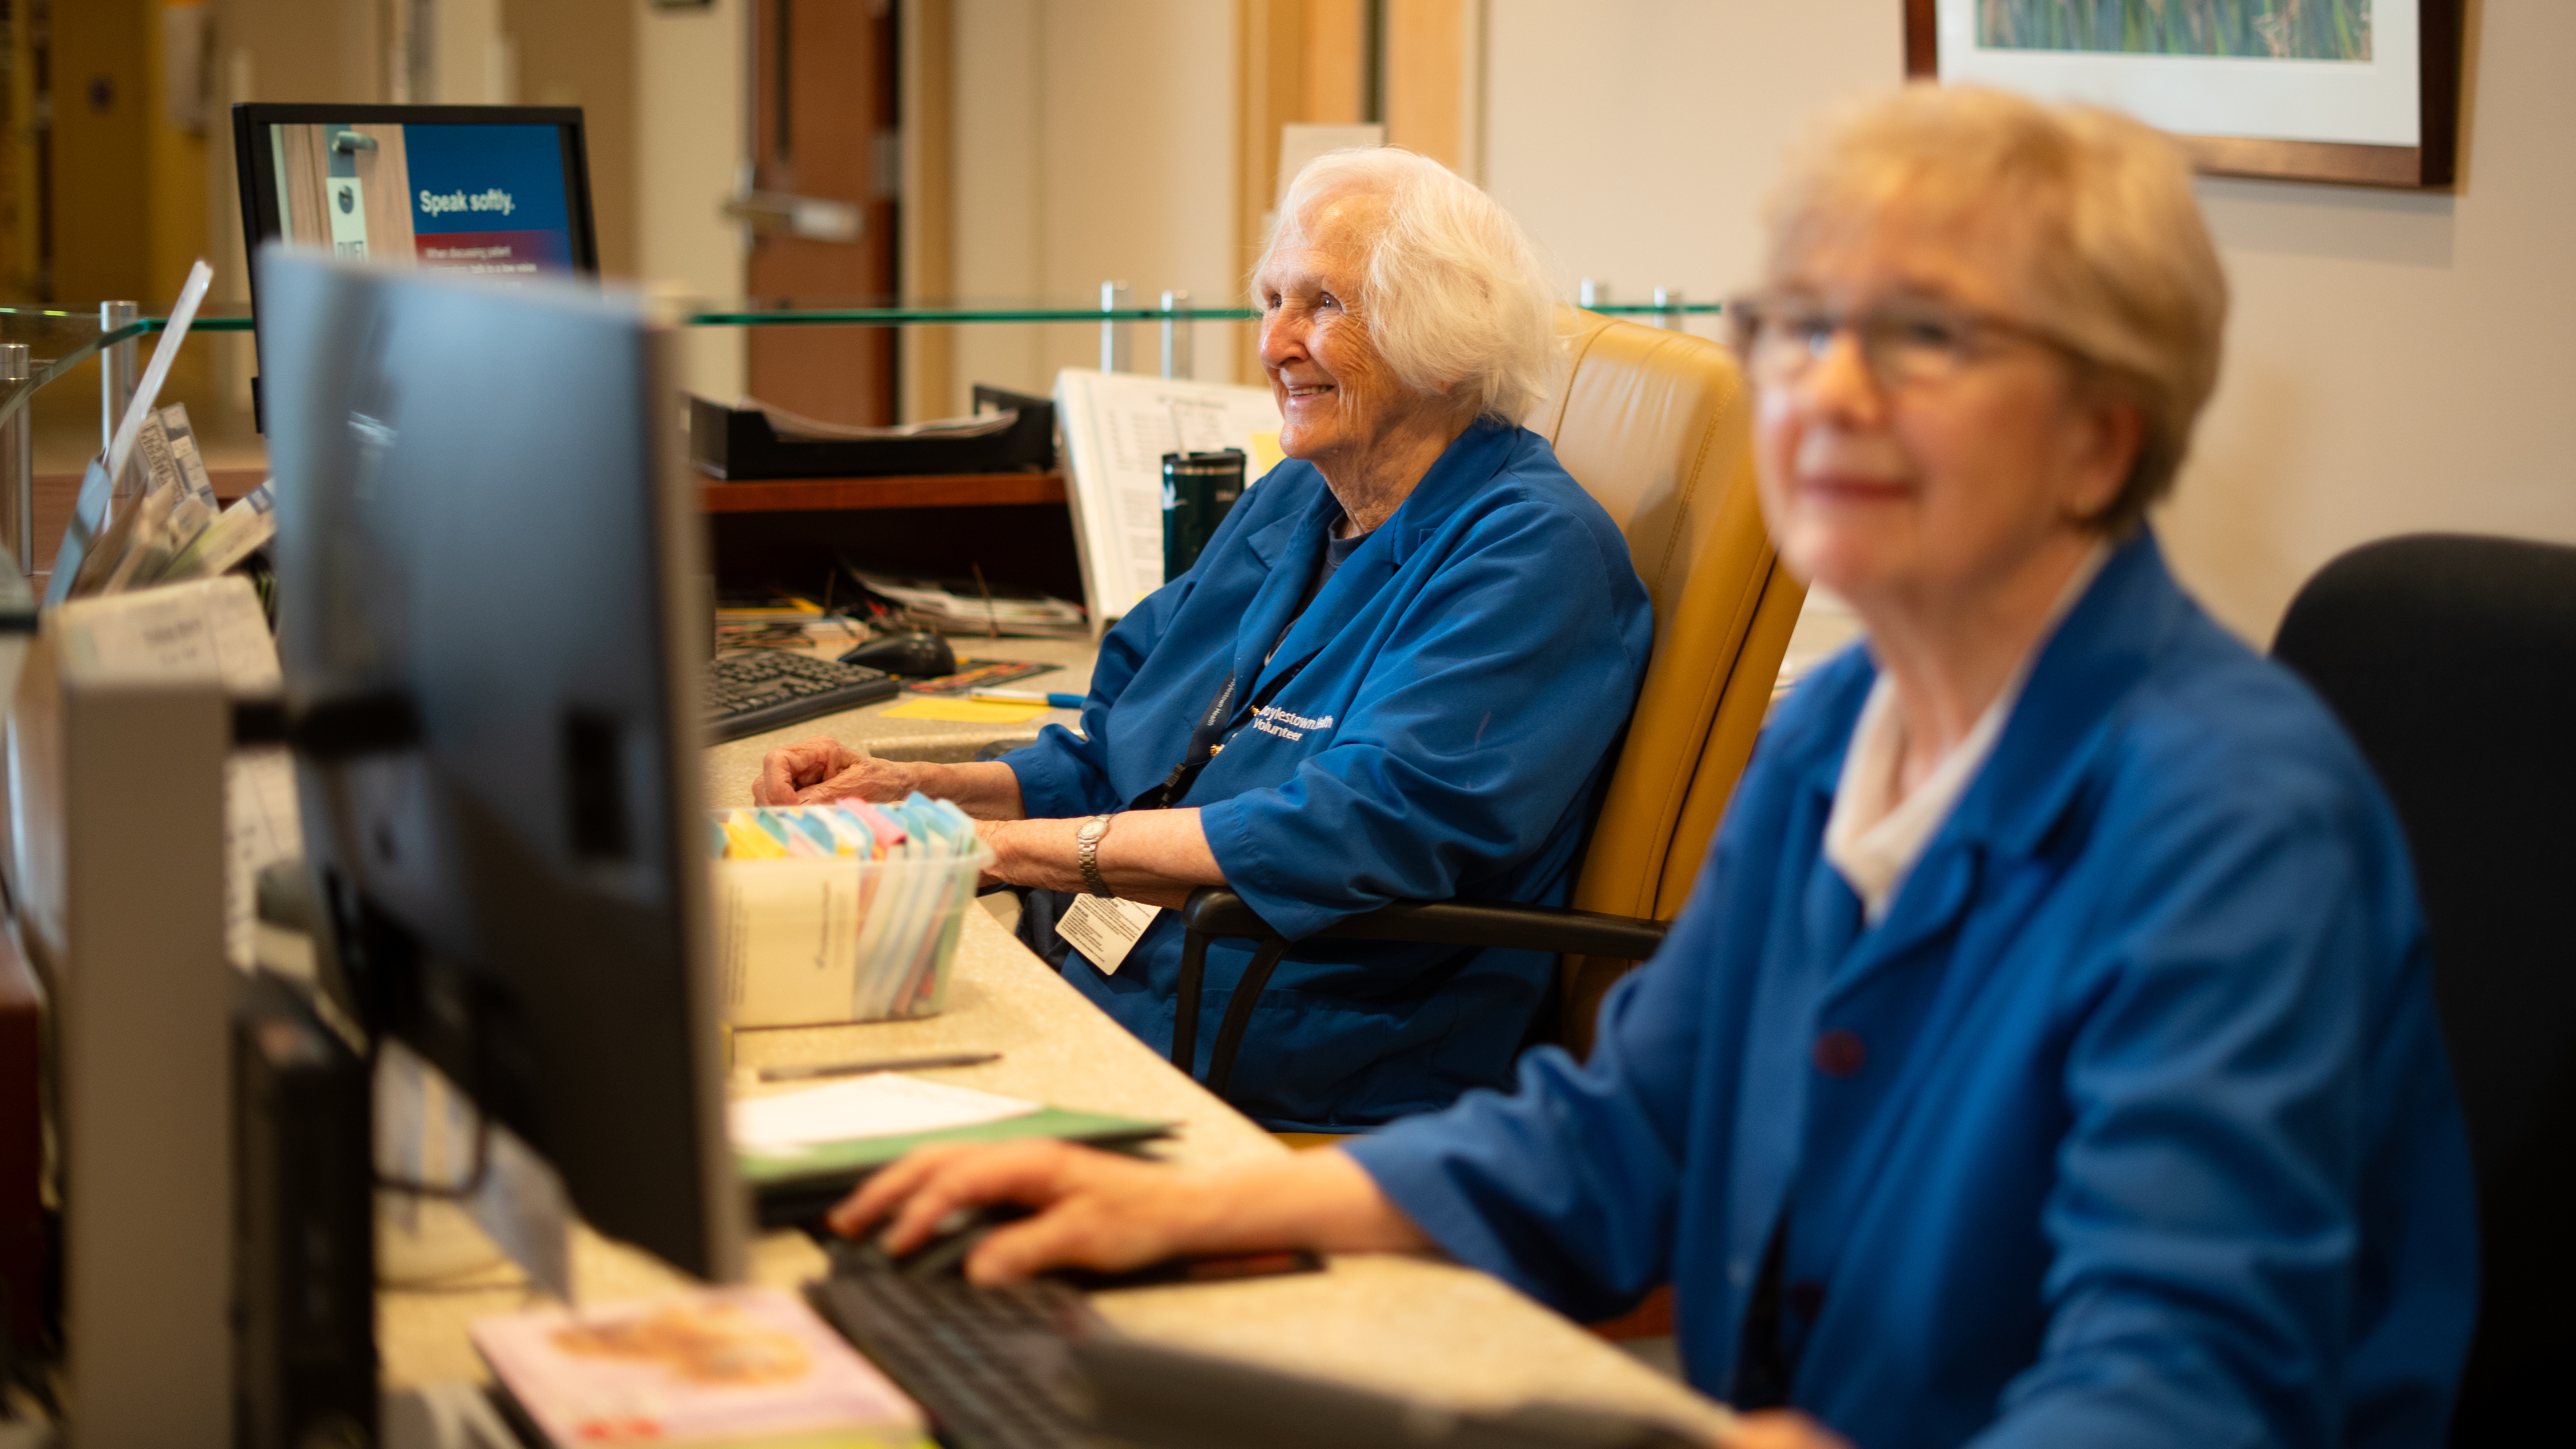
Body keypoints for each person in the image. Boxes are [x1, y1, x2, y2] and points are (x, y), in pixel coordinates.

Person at [817, 88, 2479, 1449]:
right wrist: (1191, 1210)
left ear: (2099, 437)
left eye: (1915, 344)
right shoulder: (1844, 740)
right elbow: (1624, 1142)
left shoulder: (2234, 824)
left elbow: (2181, 1392)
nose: (1822, 391)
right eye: (1799, 325)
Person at [758, 148, 1653, 1132]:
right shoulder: (1298, 497)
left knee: (827, 1098)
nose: (1274, 342)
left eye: (1324, 305)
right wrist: (912, 791)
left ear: (1444, 342)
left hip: (1310, 1034)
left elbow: (1359, 828)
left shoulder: (1531, 551)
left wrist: (1008, 850)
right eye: (1271, 298)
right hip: (1129, 974)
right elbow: (1125, 742)